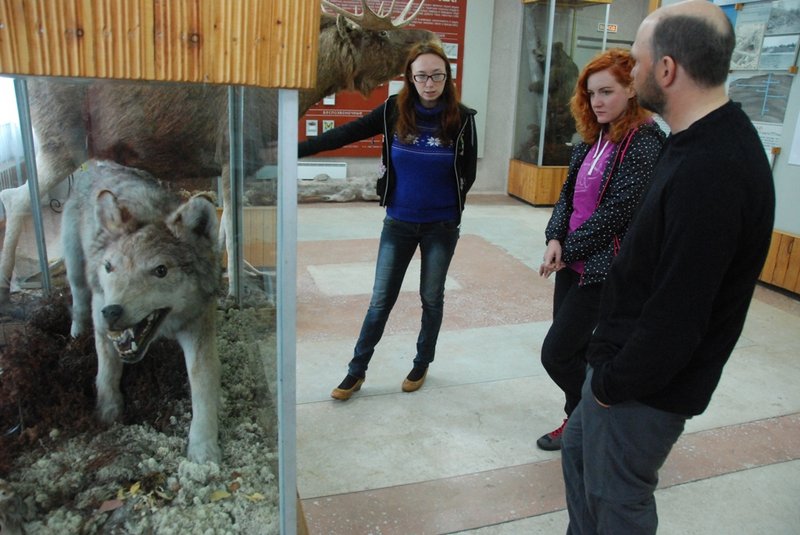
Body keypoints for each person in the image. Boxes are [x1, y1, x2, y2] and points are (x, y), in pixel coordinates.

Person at [560, 1, 775, 533]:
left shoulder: (715, 168)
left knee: (616, 500)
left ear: (667, 69)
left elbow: (679, 315)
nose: (628, 73)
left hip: (641, 390)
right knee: (582, 463)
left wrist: (610, 385)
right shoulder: (695, 141)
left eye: (635, 61)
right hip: (617, 367)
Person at [298, 42, 478, 401]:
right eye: (422, 75)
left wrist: (449, 209)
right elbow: (345, 133)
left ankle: (422, 361)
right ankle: (356, 371)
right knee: (380, 300)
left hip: (441, 226)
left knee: (431, 298)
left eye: (437, 75)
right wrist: (298, 147)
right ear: (410, 78)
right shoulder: (392, 111)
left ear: (447, 77)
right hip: (399, 222)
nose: (430, 83)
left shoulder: (462, 118)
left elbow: (468, 172)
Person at [535, 49, 665, 451]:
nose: (598, 102)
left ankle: (600, 420)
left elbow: (616, 214)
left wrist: (567, 249)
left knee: (557, 354)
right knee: (576, 350)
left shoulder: (645, 142)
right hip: (573, 262)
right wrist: (554, 238)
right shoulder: (594, 138)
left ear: (631, 88)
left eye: (607, 92)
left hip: (606, 268)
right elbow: (567, 197)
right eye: (592, 94)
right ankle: (578, 422)